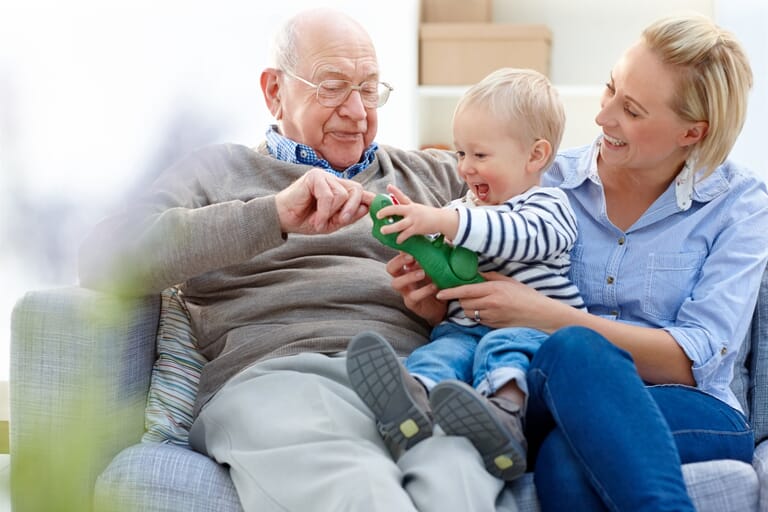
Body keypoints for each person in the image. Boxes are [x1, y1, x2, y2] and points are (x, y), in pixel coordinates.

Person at [78, 7, 516, 512]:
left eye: (370, 89)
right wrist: (273, 215)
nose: (357, 111)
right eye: (332, 86)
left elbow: (539, 238)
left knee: (459, 480)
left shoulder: (436, 175)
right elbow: (103, 258)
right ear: (274, 91)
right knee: (361, 491)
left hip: (413, 381)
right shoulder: (216, 172)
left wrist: (447, 305)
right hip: (278, 378)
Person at [389, 14, 768, 512]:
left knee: (568, 439)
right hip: (552, 392)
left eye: (630, 110)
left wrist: (541, 313)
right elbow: (479, 260)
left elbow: (692, 360)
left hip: (690, 406)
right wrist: (442, 299)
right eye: (611, 88)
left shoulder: (740, 205)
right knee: (569, 366)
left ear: (692, 133)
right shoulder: (539, 177)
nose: (603, 117)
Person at [346, 67, 585, 481]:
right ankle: (409, 403)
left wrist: (444, 220)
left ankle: (506, 420)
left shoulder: (549, 207)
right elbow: (445, 248)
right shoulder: (466, 210)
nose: (464, 170)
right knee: (441, 351)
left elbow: (517, 237)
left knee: (506, 351)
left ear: (536, 156)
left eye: (479, 155)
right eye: (460, 154)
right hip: (465, 327)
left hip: (534, 330)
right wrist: (410, 224)